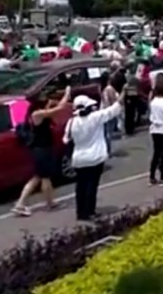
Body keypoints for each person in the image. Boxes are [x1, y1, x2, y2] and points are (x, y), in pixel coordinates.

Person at [12, 88, 72, 217]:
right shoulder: (36, 114)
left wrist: (53, 102)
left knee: (38, 177)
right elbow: (59, 109)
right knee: (45, 177)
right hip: (41, 149)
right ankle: (49, 203)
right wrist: (66, 93)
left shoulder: (36, 112)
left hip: (42, 148)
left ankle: (21, 204)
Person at [65, 94, 123, 221]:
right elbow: (113, 110)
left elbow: (66, 140)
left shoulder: (71, 122)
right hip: (95, 157)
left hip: (79, 158)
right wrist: (122, 95)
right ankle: (90, 211)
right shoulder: (95, 118)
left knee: (80, 186)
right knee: (92, 185)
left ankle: (81, 213)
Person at [99, 71, 119, 155]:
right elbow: (113, 100)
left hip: (102, 110)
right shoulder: (109, 88)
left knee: (104, 132)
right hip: (109, 111)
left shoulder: (101, 88)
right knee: (108, 132)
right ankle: (107, 150)